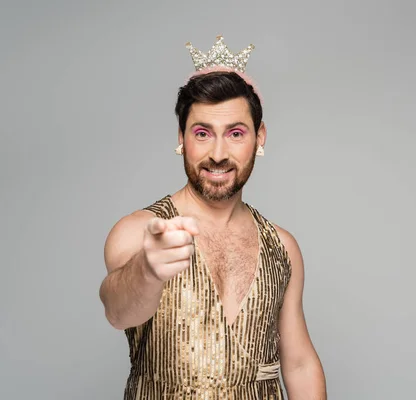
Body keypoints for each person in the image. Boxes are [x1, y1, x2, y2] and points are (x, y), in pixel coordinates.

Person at [99, 35, 327, 399]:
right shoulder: (138, 231)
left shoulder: (283, 248)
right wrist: (148, 269)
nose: (218, 153)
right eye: (202, 133)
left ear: (259, 138)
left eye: (235, 133)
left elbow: (298, 362)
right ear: (182, 138)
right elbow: (117, 311)